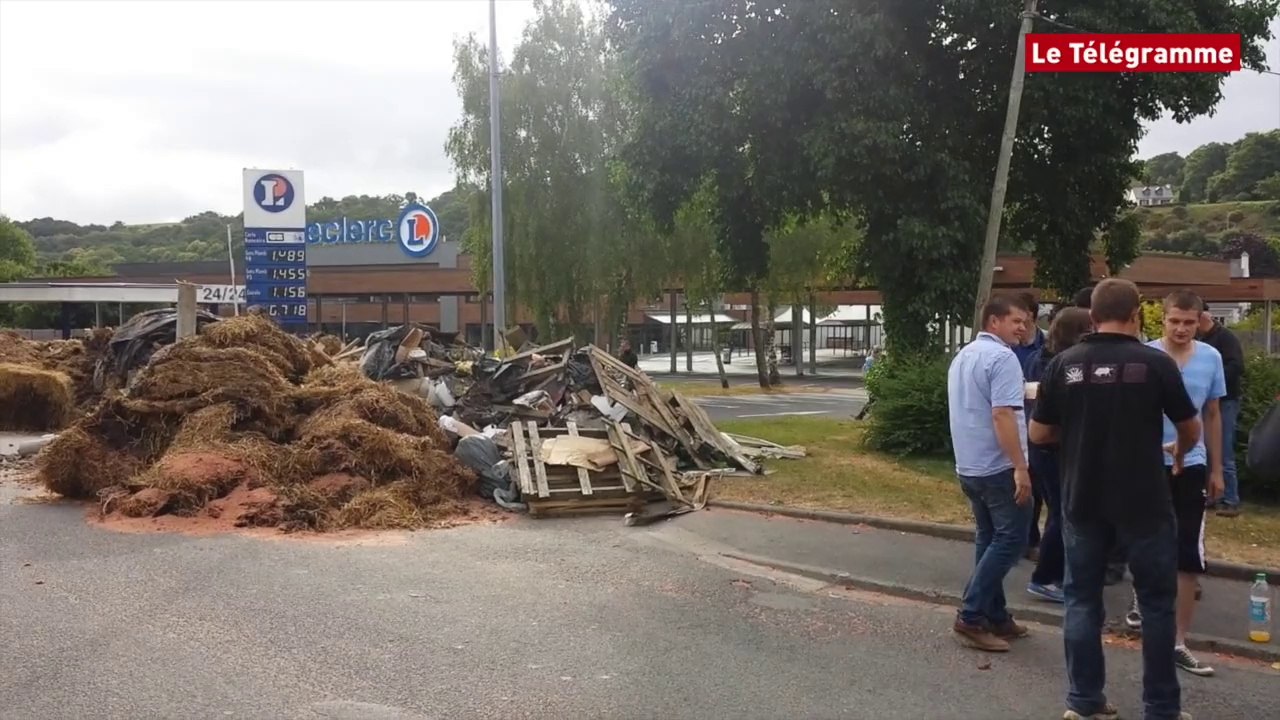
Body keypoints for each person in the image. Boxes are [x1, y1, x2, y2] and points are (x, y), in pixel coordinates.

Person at [1030, 278, 1200, 720]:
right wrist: (1180, 454)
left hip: (1082, 497)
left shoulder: (1063, 364)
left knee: (1082, 600)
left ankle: (1084, 703)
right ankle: (1161, 708)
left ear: (1092, 316)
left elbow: (1039, 432)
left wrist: (1081, 436)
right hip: (1144, 500)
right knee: (1157, 605)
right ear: (1137, 315)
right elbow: (1191, 426)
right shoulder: (1156, 363)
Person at [1123, 290, 1225, 678]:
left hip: (1193, 465)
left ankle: (1178, 642)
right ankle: (1140, 600)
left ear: (1200, 321)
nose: (1181, 328)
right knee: (1146, 540)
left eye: (1189, 321)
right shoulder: (1145, 356)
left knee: (1187, 552)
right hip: (1149, 464)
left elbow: (1213, 414)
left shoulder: (1211, 358)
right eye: (1174, 321)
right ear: (1161, 320)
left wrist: (1217, 469)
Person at [947, 294, 1033, 653]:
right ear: (993, 322)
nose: (1023, 328)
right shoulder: (1002, 358)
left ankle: (995, 615)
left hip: (969, 464)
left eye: (1025, 322)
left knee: (989, 536)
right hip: (997, 466)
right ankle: (971, 615)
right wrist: (1020, 467)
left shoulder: (963, 356)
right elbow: (1002, 415)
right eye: (1016, 321)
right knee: (1012, 538)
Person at [1022, 307, 1093, 604]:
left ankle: (1061, 573)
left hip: (1045, 446)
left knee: (1062, 511)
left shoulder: (1041, 358)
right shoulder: (1059, 364)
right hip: (1051, 446)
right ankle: (1046, 577)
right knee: (1062, 512)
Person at [1196, 304, 1245, 516]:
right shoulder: (1200, 340)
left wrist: (1212, 378)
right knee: (1207, 448)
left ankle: (1231, 498)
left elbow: (1237, 366)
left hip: (1226, 400)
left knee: (1223, 448)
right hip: (1207, 401)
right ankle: (1213, 496)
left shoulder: (1226, 338)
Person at [1013, 292, 1047, 555]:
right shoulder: (1006, 346)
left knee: (1043, 484)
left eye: (1018, 317)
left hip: (1042, 422)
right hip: (1015, 421)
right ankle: (1027, 537)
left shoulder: (1047, 344)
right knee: (1024, 484)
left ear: (1031, 316)